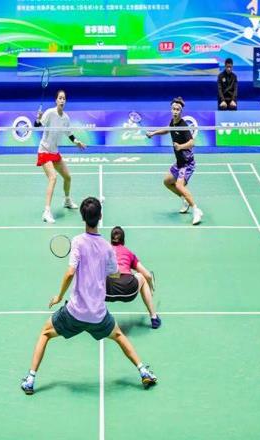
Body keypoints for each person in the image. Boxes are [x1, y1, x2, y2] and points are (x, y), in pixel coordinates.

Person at [21, 197, 157, 395]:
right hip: (98, 315)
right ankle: (143, 371)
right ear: (100, 216)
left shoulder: (77, 241)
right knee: (119, 336)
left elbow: (70, 272)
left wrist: (59, 296)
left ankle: (30, 380)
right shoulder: (107, 248)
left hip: (74, 312)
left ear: (82, 217)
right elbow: (115, 273)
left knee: (45, 333)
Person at [146, 97, 203, 225]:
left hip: (187, 163)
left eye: (177, 109)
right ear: (171, 110)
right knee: (167, 181)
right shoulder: (173, 122)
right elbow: (168, 129)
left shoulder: (183, 126)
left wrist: (180, 147)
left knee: (179, 185)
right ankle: (185, 199)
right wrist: (153, 133)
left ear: (181, 111)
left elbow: (192, 143)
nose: (175, 111)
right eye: (173, 109)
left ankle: (196, 210)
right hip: (179, 162)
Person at [34, 90, 86, 224]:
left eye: (64, 98)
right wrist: (38, 119)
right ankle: (46, 212)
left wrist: (77, 142)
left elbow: (69, 134)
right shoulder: (49, 113)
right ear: (56, 100)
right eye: (60, 98)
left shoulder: (66, 118)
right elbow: (37, 126)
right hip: (44, 150)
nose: (62, 100)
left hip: (54, 152)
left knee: (67, 177)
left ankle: (67, 200)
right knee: (53, 177)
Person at [106, 226, 161, 329]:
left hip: (107, 293)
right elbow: (148, 275)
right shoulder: (129, 253)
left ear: (110, 240)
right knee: (141, 276)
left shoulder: (104, 252)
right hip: (128, 291)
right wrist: (150, 288)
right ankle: (154, 318)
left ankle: (88, 318)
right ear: (123, 241)